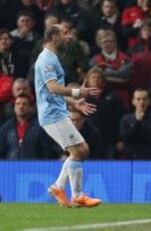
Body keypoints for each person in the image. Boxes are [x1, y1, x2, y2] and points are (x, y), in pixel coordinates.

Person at [34, 24, 101, 208]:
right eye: (65, 33)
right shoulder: (46, 59)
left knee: (79, 151)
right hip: (51, 115)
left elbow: (53, 93)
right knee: (80, 151)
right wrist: (78, 93)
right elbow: (53, 88)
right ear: (54, 36)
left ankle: (59, 187)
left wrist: (74, 103)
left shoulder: (52, 57)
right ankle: (77, 196)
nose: (69, 37)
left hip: (57, 112)